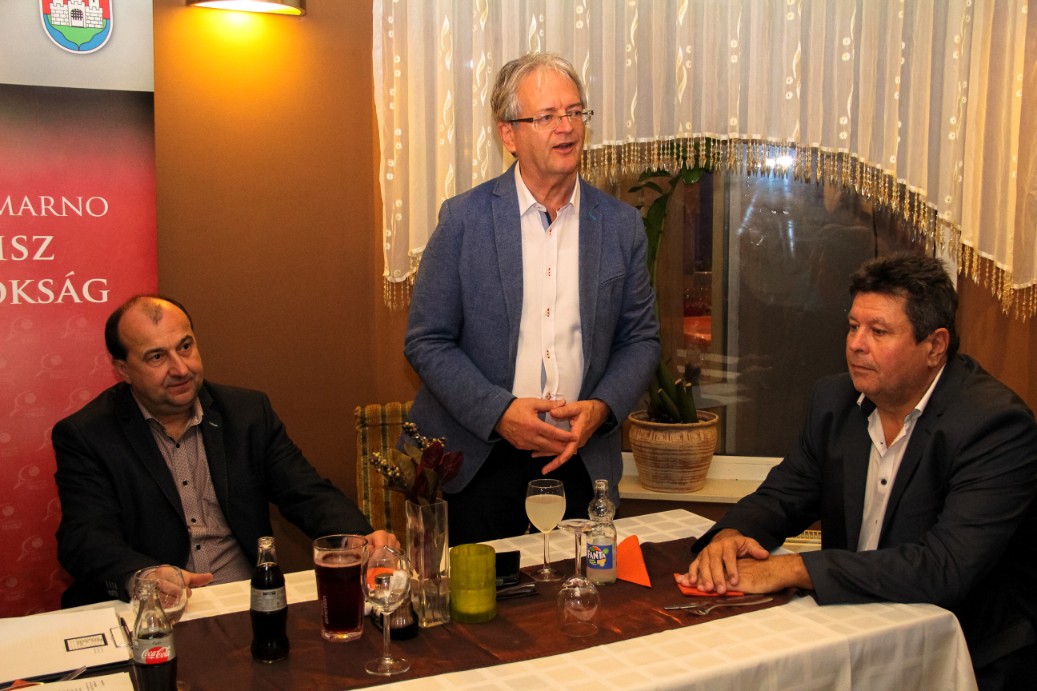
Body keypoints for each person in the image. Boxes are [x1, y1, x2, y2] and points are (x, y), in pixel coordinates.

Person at [679, 252, 1037, 689]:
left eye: (878, 331)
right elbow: (783, 495)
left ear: (935, 346)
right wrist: (731, 536)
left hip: (964, 655)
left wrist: (794, 569)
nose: (856, 345)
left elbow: (944, 567)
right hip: (855, 632)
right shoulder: (835, 401)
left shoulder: (994, 425)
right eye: (853, 327)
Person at [404, 52, 660, 544]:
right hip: (479, 461)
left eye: (575, 112)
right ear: (509, 134)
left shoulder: (621, 226)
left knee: (581, 589)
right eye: (547, 116)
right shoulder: (463, 220)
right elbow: (427, 340)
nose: (567, 127)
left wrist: (601, 408)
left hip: (579, 459)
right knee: (482, 595)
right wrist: (499, 413)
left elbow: (641, 340)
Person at [53, 295, 397, 607]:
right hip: (157, 607)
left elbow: (306, 492)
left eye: (185, 346)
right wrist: (142, 576)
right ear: (123, 370)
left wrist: (360, 539)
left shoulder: (247, 413)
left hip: (243, 600)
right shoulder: (88, 435)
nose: (181, 368)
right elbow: (84, 538)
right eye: (157, 357)